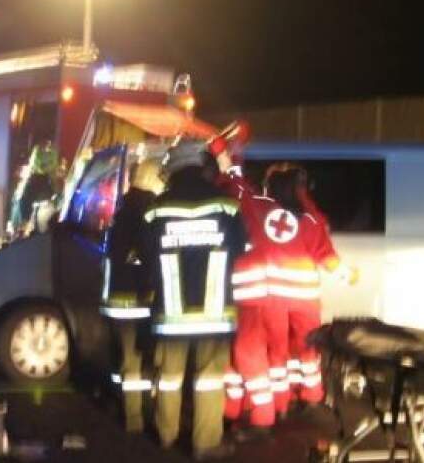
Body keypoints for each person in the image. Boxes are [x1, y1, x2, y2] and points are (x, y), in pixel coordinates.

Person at [210, 137, 353, 439]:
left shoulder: (257, 205)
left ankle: (264, 416)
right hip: (303, 299)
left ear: (271, 184)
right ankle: (306, 399)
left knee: (255, 354)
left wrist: (224, 155)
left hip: (260, 296)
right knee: (298, 351)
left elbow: (235, 184)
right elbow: (327, 257)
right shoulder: (313, 217)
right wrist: (347, 275)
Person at [138, 140, 245, 461]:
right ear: (202, 167)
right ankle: (205, 444)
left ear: (172, 171)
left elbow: (145, 256)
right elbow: (241, 250)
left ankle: (166, 437)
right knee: (209, 380)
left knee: (169, 380)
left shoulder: (156, 210)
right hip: (215, 314)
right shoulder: (227, 206)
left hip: (171, 316)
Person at [101, 158, 164, 434]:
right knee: (137, 361)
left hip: (117, 300)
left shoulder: (123, 211)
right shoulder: (145, 214)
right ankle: (136, 420)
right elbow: (148, 257)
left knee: (125, 361)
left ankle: (128, 410)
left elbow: (116, 255)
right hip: (138, 300)